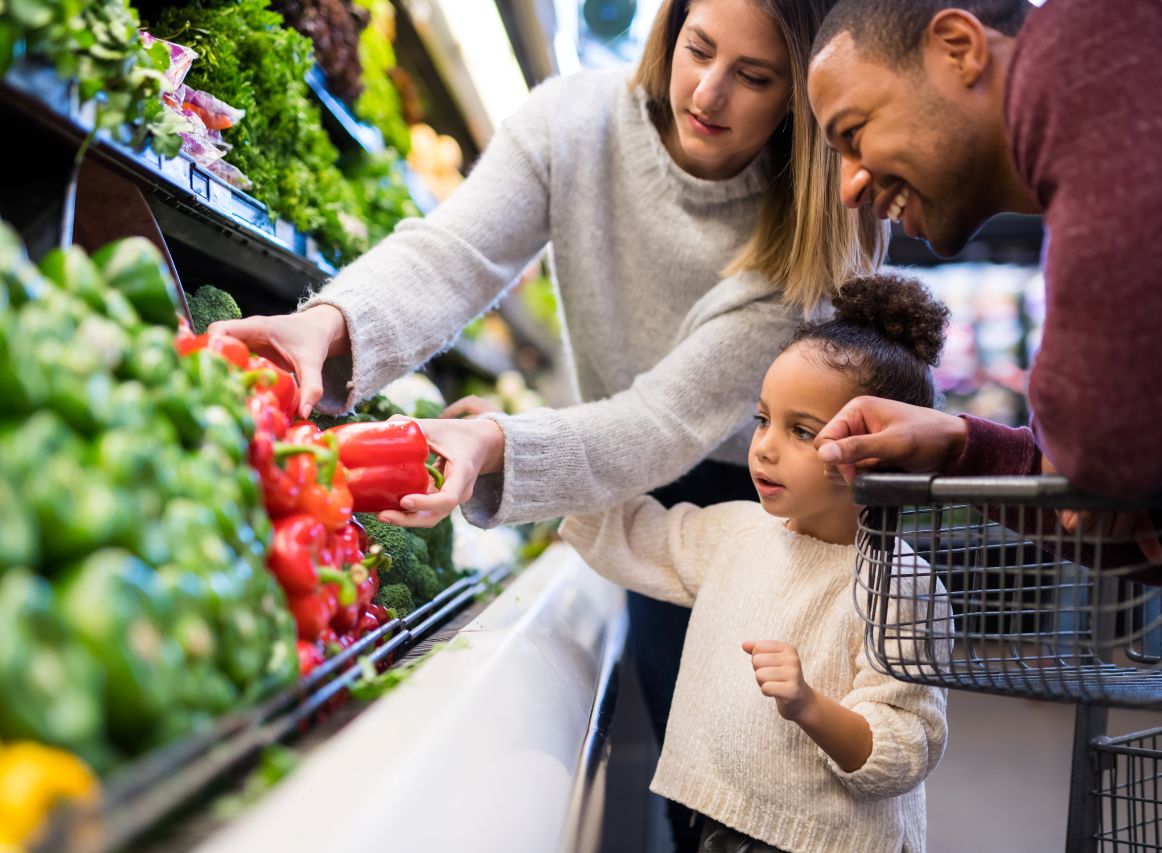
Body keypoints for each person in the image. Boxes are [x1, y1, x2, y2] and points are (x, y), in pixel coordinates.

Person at [211, 1, 886, 847]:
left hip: (764, 508)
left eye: (754, 77)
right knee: (690, 781)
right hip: (638, 489)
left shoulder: (803, 235)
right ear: (667, 31)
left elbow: (663, 420)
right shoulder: (573, 120)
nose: (708, 91)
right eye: (698, 49)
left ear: (798, 94)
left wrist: (500, 441)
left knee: (762, 792)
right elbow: (454, 253)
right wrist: (334, 323)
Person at [803, 0, 1162, 521]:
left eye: (853, 133)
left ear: (959, 48)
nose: (849, 187)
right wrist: (959, 447)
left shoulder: (1113, 39)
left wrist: (1089, 462)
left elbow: (1107, 453)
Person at [561, 273, 949, 853]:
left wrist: (809, 705)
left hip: (825, 842)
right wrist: (506, 454)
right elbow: (632, 532)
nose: (765, 446)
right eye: (763, 419)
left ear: (880, 453)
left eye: (802, 431)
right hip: (720, 824)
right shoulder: (738, 533)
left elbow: (906, 744)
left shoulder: (899, 585)